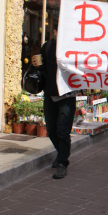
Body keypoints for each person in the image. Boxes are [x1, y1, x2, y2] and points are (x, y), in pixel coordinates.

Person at [32, 20, 76, 179]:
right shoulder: (47, 47)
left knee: (63, 131)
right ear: (55, 32)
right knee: (51, 130)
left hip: (67, 96)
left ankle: (63, 163)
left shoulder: (72, 48)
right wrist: (37, 65)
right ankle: (61, 153)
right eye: (59, 31)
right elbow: (42, 68)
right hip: (50, 95)